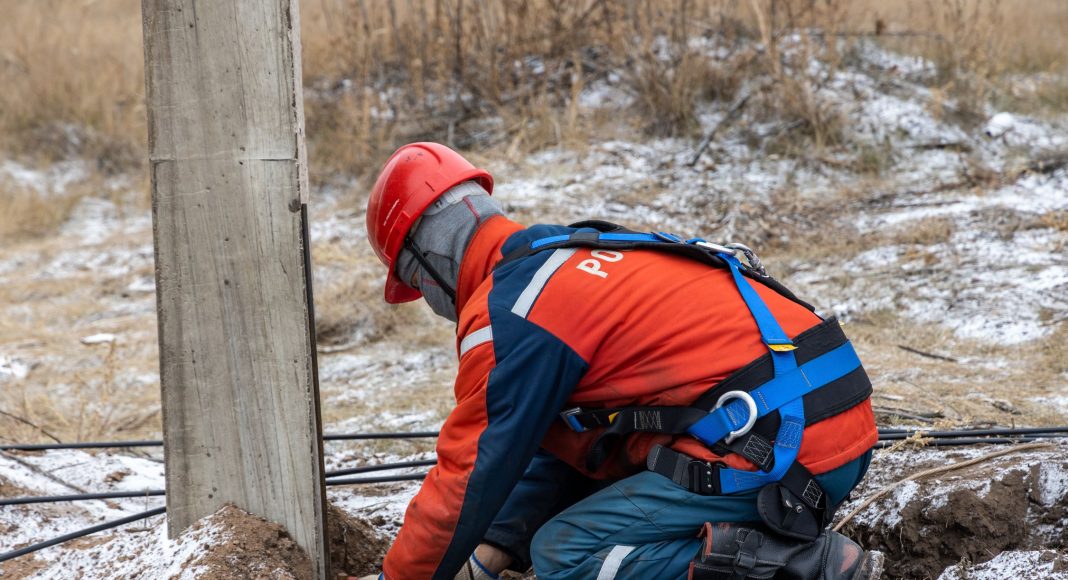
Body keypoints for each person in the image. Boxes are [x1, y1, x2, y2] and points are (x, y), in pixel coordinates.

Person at [359, 142, 882, 580]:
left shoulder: (508, 314)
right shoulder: (573, 255)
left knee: (563, 553)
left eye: (416, 284)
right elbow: (548, 444)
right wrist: (491, 552)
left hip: (784, 447)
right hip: (834, 427)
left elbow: (468, 475)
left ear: (428, 260)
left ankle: (800, 569)